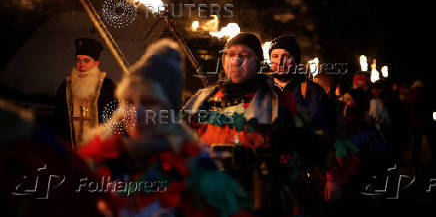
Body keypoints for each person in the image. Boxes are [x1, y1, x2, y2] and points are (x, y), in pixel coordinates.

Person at [78, 39, 252, 217]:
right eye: (129, 102)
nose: (136, 112)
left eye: (149, 102)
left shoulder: (198, 174)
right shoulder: (94, 163)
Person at [184, 33, 336, 215]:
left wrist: (293, 139)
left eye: (245, 55)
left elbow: (320, 146)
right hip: (209, 200)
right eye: (231, 54)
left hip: (257, 200)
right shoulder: (203, 99)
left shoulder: (278, 101)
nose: (236, 60)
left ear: (258, 62)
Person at [53, 38, 115, 150]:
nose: (81, 65)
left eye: (86, 61)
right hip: (70, 149)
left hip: (98, 149)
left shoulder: (107, 87)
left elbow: (112, 120)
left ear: (96, 63)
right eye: (78, 60)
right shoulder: (65, 86)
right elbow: (58, 120)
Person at [268, 35, 336, 132]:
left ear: (295, 60)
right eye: (275, 56)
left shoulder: (311, 90)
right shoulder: (261, 89)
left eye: (286, 57)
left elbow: (321, 127)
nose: (280, 61)